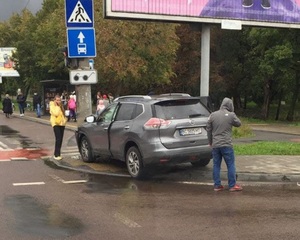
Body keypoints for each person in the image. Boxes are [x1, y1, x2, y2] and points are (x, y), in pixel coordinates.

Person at [206, 97, 243, 192]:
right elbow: (239, 123)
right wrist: (232, 114)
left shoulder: (212, 115)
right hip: (227, 145)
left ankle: (217, 185)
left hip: (215, 145)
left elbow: (208, 129)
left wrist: (210, 142)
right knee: (230, 164)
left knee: (216, 165)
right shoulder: (231, 115)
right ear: (230, 105)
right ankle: (232, 185)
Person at [50, 95, 67, 160]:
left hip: (62, 124)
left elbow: (63, 114)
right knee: (58, 138)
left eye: (59, 100)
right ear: (54, 100)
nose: (58, 101)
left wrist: (65, 120)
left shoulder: (61, 106)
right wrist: (57, 106)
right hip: (55, 123)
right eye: (57, 100)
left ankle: (58, 153)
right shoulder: (52, 106)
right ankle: (56, 154)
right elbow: (56, 113)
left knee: (61, 139)